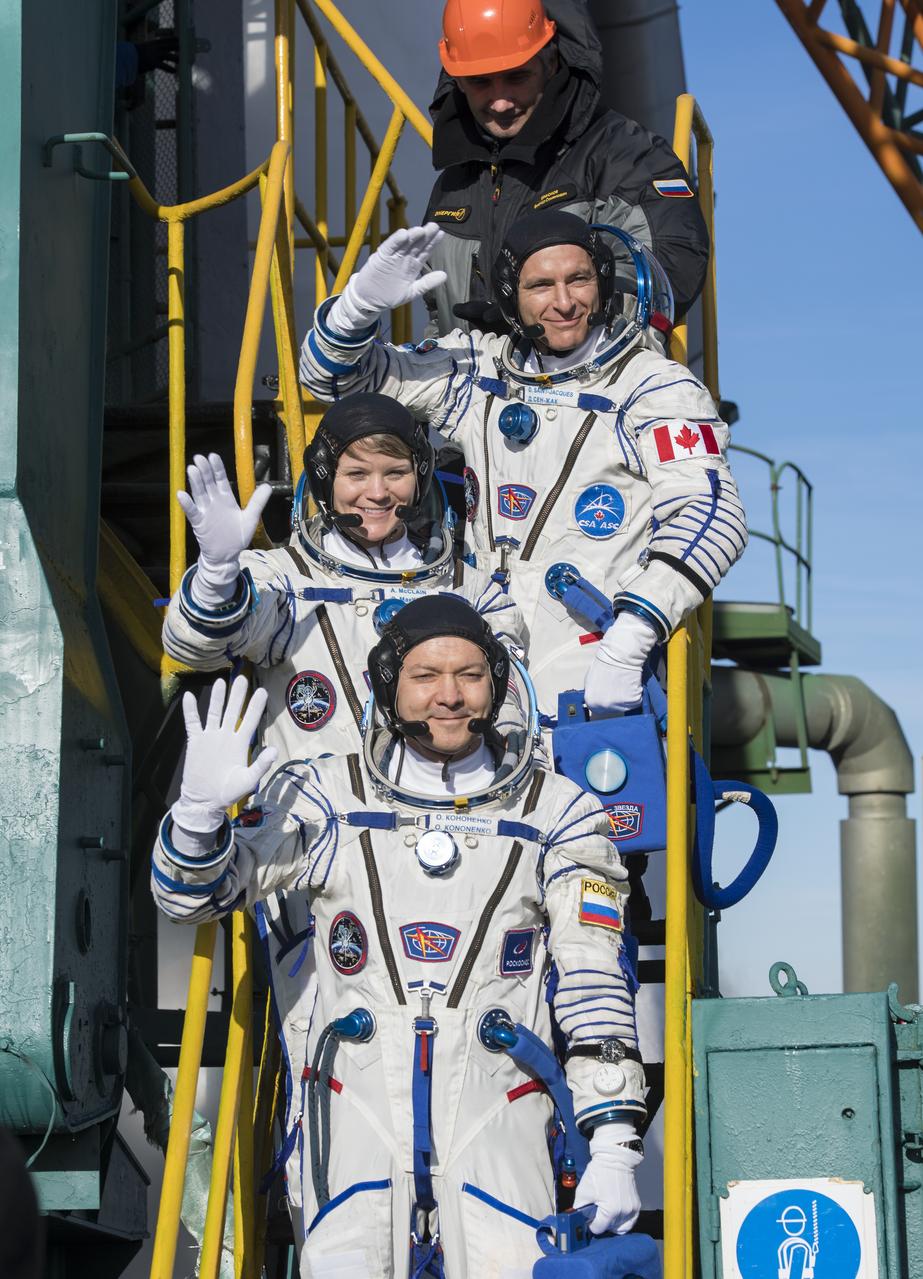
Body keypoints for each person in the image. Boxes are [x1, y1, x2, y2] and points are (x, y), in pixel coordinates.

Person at [151, 597, 647, 1279]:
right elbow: (188, 895)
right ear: (388, 684)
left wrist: (615, 1142)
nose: (449, 695)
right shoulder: (325, 796)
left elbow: (593, 977)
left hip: (499, 1110)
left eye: (470, 674)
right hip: (353, 1115)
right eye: (425, 675)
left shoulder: (556, 809)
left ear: (496, 682)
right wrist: (199, 818)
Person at [298, 212, 747, 720]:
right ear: (511, 294)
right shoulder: (479, 371)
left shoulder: (652, 386)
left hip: (597, 677)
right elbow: (334, 384)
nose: (564, 302)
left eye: (578, 279)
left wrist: (632, 635)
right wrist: (358, 308)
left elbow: (711, 514)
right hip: (479, 687)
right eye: (541, 285)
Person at [163, 391, 524, 763]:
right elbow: (194, 650)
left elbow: (510, 715)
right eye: (356, 474)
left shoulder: (472, 591)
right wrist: (216, 577)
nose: (378, 493)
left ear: (419, 477)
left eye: (396, 473)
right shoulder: (285, 580)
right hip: (316, 815)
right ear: (324, 480)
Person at [422, 0, 710, 336]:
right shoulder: (452, 184)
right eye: (480, 82)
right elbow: (436, 314)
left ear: (552, 61)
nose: (500, 101)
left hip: (594, 383)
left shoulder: (626, 155)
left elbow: (669, 262)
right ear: (456, 80)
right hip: (473, 384)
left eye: (517, 76)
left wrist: (554, 327)